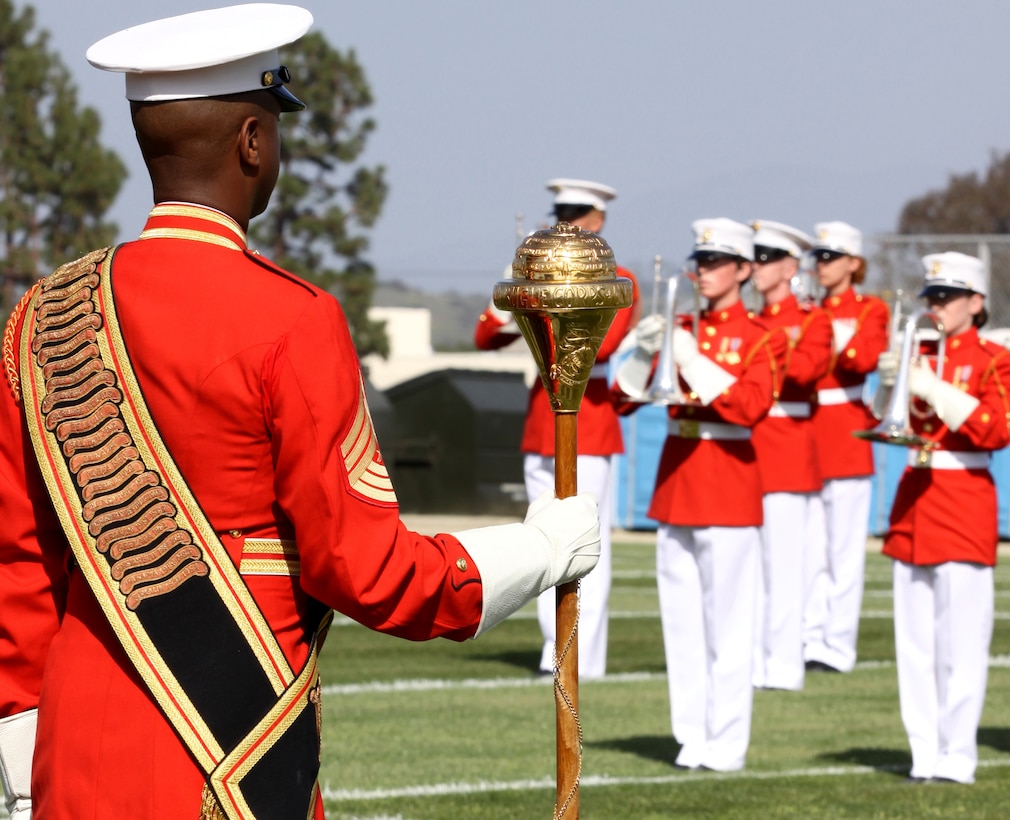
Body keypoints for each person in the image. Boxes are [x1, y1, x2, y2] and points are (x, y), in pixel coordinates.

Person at [0, 6, 602, 818]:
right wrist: (534, 553)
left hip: (71, 737)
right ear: (253, 141)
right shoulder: (293, 316)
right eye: (275, 129)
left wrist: (21, 728)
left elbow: (21, 558)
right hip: (226, 742)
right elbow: (365, 568)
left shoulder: (46, 311)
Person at [614, 218, 781, 771]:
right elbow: (621, 400)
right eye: (700, 262)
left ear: (743, 271)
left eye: (716, 263)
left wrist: (687, 358)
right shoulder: (681, 322)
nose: (703, 271)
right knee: (682, 627)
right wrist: (641, 352)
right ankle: (691, 737)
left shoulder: (762, 335)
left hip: (729, 483)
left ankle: (727, 743)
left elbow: (749, 407)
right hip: (678, 482)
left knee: (729, 628)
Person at [474, 179, 640, 680]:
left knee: (589, 544)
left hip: (589, 421)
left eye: (576, 213)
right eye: (560, 212)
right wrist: (515, 293)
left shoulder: (618, 276)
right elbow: (485, 335)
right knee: (544, 540)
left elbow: (601, 348)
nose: (565, 222)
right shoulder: (536, 276)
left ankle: (583, 654)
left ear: (599, 219)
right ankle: (555, 650)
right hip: (541, 422)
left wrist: (539, 302)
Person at [874, 252, 1010, 784]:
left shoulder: (994, 358)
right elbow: (884, 424)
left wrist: (931, 386)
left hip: (963, 498)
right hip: (916, 495)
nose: (936, 306)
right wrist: (891, 385)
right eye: (932, 296)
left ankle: (958, 755)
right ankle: (923, 753)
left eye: (947, 297)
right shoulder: (917, 349)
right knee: (914, 645)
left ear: (975, 303)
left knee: (961, 642)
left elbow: (995, 431)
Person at [748, 221, 832, 691]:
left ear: (790, 266)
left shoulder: (812, 320)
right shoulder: (752, 320)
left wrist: (758, 352)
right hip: (749, 446)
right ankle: (754, 662)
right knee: (751, 569)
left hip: (786, 449)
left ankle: (782, 665)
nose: (757, 268)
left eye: (766, 259)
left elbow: (806, 370)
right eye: (755, 259)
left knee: (783, 568)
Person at [803, 221, 888, 674]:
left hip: (847, 431)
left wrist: (819, 332)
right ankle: (809, 639)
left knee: (843, 552)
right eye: (819, 256)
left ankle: (837, 646)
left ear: (854, 263)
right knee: (809, 548)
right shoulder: (810, 306)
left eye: (831, 256)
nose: (822, 264)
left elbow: (862, 358)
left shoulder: (871, 309)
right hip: (809, 430)